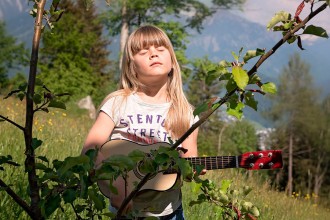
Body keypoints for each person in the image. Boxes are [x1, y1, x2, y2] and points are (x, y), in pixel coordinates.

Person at [82, 24, 204, 219]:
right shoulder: (118, 103)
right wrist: (115, 188)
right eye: (143, 51)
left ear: (172, 62)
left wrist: (195, 169)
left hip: (168, 214)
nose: (153, 54)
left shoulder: (186, 114)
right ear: (132, 66)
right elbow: (90, 152)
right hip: (124, 211)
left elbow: (189, 168)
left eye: (160, 49)